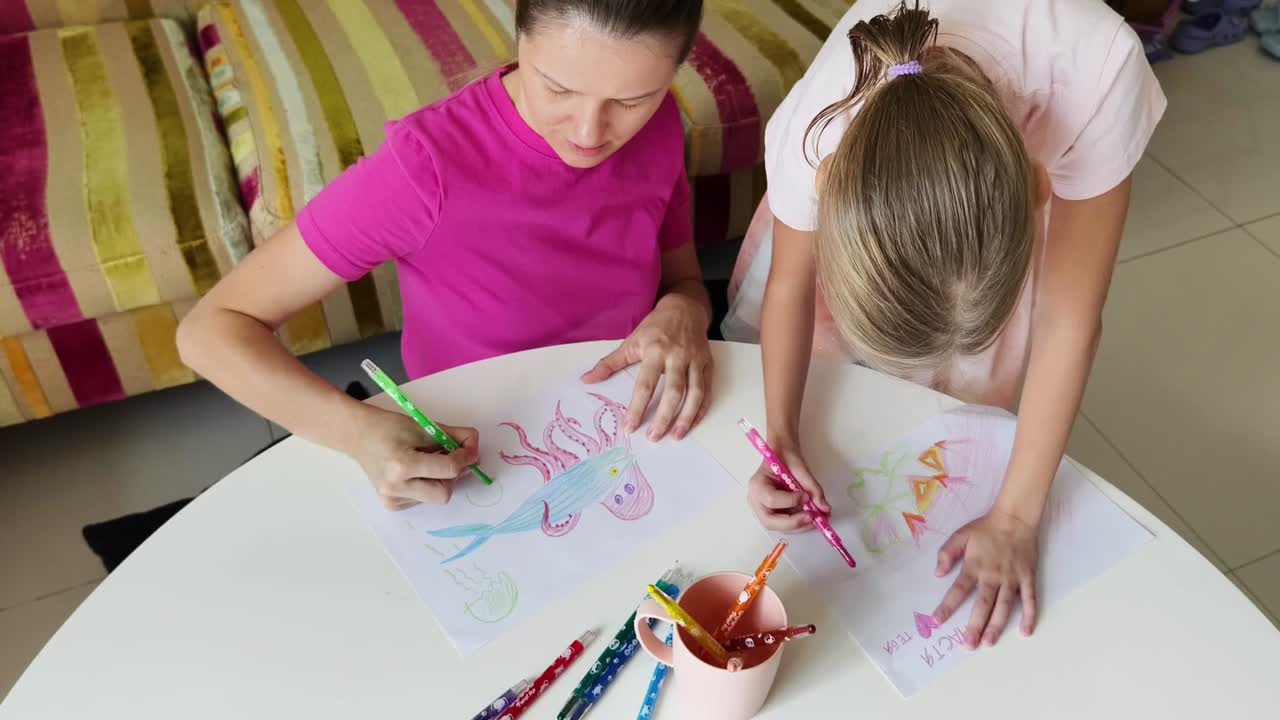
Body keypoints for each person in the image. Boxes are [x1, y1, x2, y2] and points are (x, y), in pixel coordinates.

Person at [727, 0, 1165, 649]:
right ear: (827, 190)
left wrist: (1016, 516)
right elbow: (791, 284)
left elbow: (1068, 315)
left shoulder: (1100, 69)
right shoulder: (815, 131)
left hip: (988, 210)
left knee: (956, 401)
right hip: (874, 204)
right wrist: (784, 431)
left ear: (1039, 190)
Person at [178, 0, 711, 511]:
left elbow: (683, 281)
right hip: (479, 460)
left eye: (630, 100)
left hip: (634, 431)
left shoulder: (661, 123)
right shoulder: (424, 169)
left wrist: (684, 309)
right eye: (557, 88)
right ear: (520, 37)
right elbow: (210, 331)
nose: (589, 133)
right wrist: (359, 432)